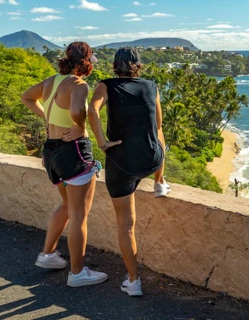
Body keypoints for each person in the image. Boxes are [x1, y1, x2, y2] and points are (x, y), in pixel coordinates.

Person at [21, 41, 108, 288]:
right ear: (86, 62)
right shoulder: (79, 85)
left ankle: (47, 254)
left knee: (67, 205)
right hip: (74, 151)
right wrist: (80, 126)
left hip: (51, 151)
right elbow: (78, 111)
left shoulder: (51, 81)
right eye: (91, 61)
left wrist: (48, 117)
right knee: (79, 214)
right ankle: (77, 273)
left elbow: (26, 97)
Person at [88, 47, 168, 296]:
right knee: (158, 138)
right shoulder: (151, 86)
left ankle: (133, 281)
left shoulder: (106, 85)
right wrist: (159, 173)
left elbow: (92, 110)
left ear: (114, 65)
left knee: (126, 224)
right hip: (151, 161)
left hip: (122, 165)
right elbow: (158, 128)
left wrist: (102, 143)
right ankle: (161, 183)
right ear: (138, 65)